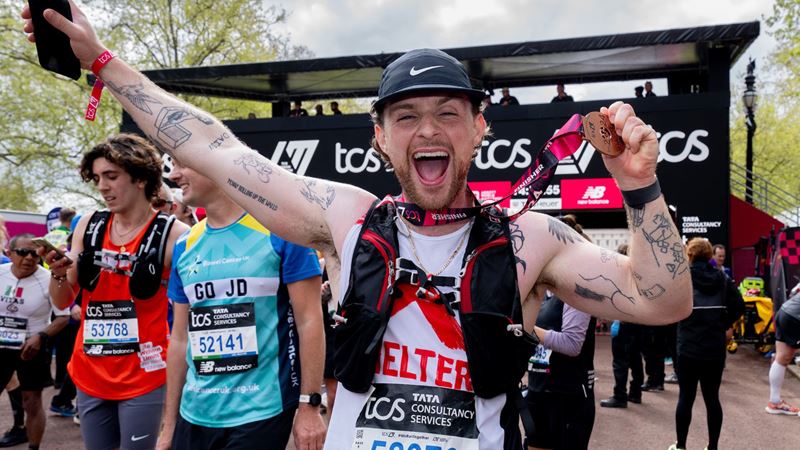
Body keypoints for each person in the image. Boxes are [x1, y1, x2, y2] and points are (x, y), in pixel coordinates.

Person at [24, 8, 692, 448]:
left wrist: (639, 182)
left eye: (447, 113)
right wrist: (104, 62)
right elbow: (215, 149)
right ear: (379, 137)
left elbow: (661, 301)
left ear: (480, 127)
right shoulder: (347, 219)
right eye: (406, 117)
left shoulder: (530, 239)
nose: (428, 130)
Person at [158, 158, 326, 449]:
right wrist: (169, 426)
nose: (173, 175)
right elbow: (180, 340)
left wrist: (309, 406)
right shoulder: (185, 245)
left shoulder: (283, 231)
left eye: (183, 163)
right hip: (195, 413)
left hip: (261, 409)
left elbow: (310, 322)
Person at [41, 133, 189, 450]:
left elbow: (188, 311)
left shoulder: (174, 234)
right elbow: (63, 300)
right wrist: (57, 274)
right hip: (90, 368)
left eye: (111, 176)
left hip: (143, 373)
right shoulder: (88, 225)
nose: (102, 187)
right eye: (97, 178)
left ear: (140, 178)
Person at [525, 215, 596, 450]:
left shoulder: (579, 288)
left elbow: (572, 343)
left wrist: (525, 330)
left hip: (568, 394)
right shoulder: (542, 289)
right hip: (538, 389)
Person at [668, 238, 744, 450]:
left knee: (686, 397)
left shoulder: (682, 279)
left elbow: (669, 306)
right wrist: (723, 322)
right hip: (714, 348)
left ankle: (681, 446)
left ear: (689, 255)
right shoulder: (722, 278)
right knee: (712, 399)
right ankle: (712, 447)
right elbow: (739, 306)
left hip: (688, 347)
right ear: (710, 255)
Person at [0, 234, 70, 450]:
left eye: (34, 253)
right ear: (10, 254)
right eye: (23, 252)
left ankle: (33, 447)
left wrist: (41, 337)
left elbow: (63, 316)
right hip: (1, 345)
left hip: (32, 347)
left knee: (32, 401)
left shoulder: (48, 278)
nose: (29, 258)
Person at [600, 244, 644, 409]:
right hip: (639, 322)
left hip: (623, 323)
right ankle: (635, 393)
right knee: (636, 359)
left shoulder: (619, 276)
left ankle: (620, 395)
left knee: (620, 362)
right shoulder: (640, 276)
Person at [765, 291, 800, 415]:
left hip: (785, 311)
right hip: (795, 317)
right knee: (783, 357)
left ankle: (774, 402)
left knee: (782, 357)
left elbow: (794, 291)